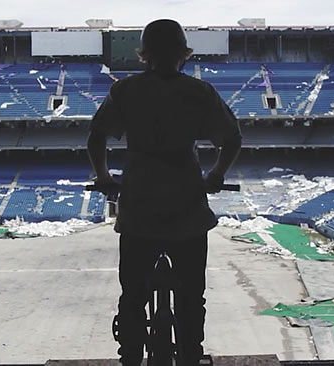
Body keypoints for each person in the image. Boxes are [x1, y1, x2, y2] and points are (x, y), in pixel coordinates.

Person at [86, 19, 242, 366]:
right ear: (182, 54)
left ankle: (130, 355)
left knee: (132, 296)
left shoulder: (125, 91)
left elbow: (97, 137)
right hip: (187, 205)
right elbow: (231, 139)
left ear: (145, 55)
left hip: (139, 206)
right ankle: (190, 353)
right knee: (191, 297)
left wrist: (103, 176)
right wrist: (216, 173)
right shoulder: (199, 93)